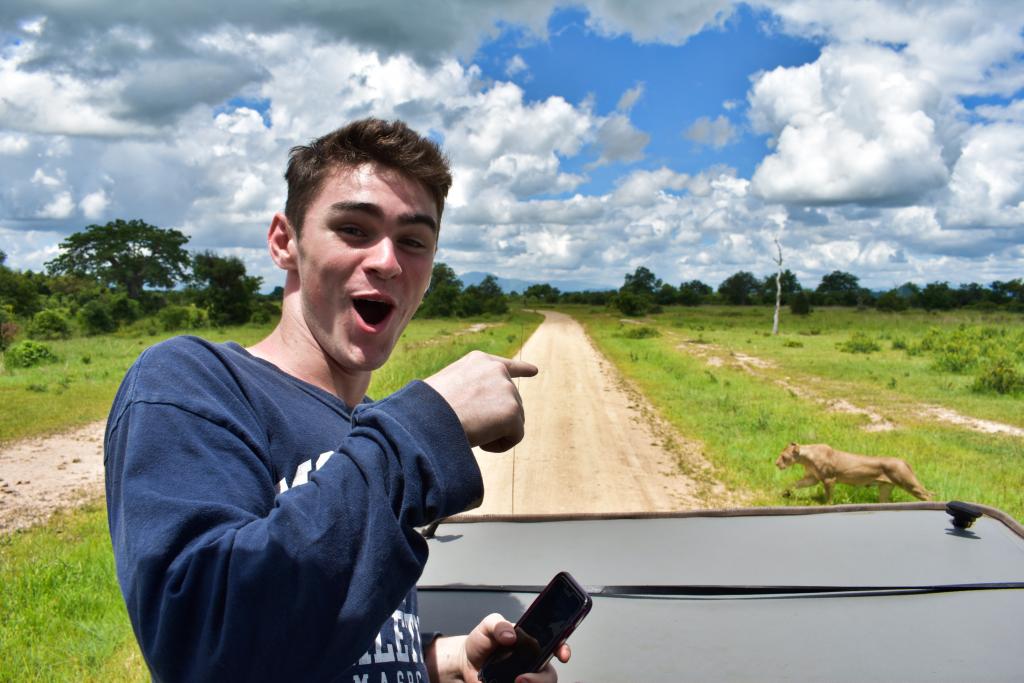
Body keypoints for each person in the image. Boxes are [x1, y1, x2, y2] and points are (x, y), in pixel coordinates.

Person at [104, 118, 570, 682]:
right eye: (353, 229)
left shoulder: (371, 430)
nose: (387, 261)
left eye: (414, 242)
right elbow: (208, 647)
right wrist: (429, 425)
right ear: (285, 242)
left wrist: (439, 662)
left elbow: (324, 636)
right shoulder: (192, 382)